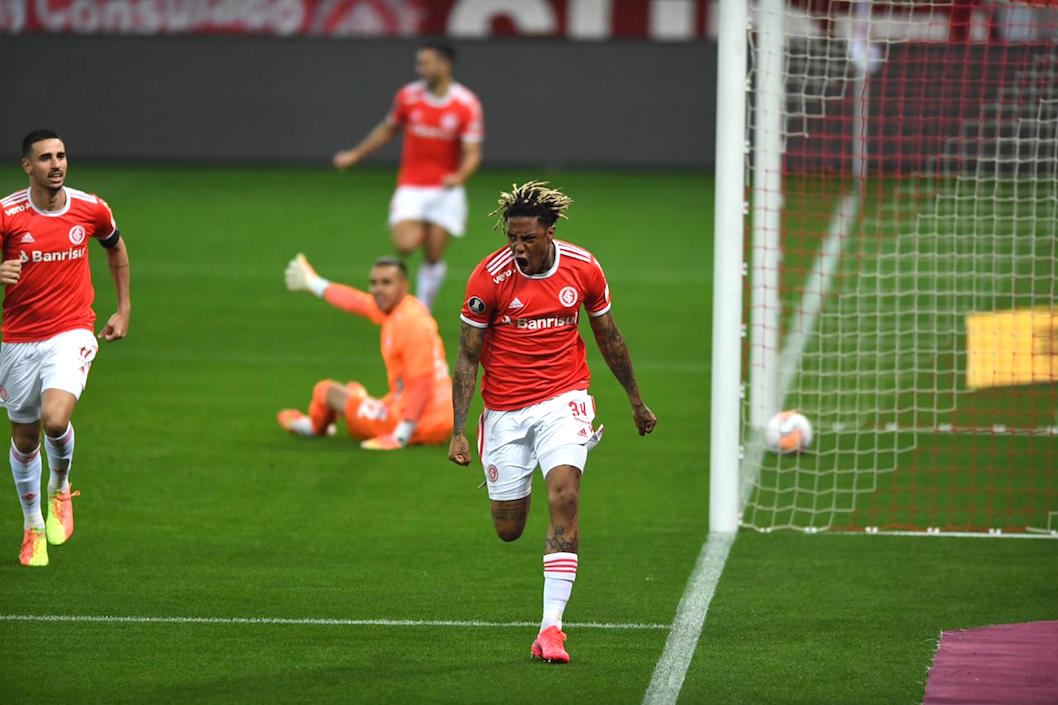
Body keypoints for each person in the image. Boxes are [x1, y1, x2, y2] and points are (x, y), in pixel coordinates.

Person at [448, 181, 656, 664]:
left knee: (565, 494)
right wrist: (459, 427)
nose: (518, 249)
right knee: (509, 528)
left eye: (527, 239)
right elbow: (466, 356)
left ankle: (551, 629)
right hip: (504, 410)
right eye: (511, 238)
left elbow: (609, 336)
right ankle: (506, 485)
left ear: (550, 230)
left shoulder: (583, 267)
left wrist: (635, 400)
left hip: (565, 400)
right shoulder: (489, 278)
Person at [0, 129, 131, 567]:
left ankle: (60, 485)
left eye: (61, 156)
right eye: (45, 158)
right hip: (18, 339)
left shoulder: (90, 207)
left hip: (72, 329)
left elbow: (115, 246)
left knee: (55, 419)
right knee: (25, 436)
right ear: (28, 166)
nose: (55, 164)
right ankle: (33, 526)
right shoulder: (8, 215)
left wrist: (124, 307)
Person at [332, 42, 484, 312]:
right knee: (404, 244)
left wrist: (459, 176)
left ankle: (422, 309)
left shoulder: (466, 104)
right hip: (412, 186)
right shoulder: (408, 97)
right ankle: (430, 224)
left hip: (446, 190)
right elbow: (387, 130)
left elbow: (472, 152)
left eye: (425, 63)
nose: (420, 69)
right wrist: (355, 155)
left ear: (444, 65)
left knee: (434, 255)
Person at [278, 254, 453, 449]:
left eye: (386, 283)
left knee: (325, 391)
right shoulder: (403, 309)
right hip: (433, 412)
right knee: (353, 390)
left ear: (404, 286)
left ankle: (313, 426)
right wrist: (313, 283)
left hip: (421, 421)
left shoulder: (409, 324)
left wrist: (400, 435)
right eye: (374, 283)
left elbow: (423, 382)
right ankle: (355, 402)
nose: (378, 289)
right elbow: (357, 302)